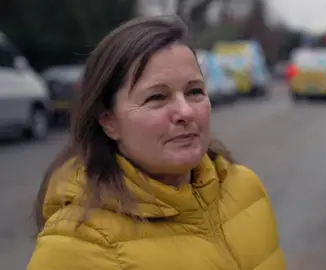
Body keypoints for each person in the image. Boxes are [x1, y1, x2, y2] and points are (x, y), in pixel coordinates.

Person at [27, 15, 285, 270]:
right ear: (109, 121)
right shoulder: (76, 246)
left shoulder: (244, 188)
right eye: (157, 97)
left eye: (194, 91)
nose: (185, 112)